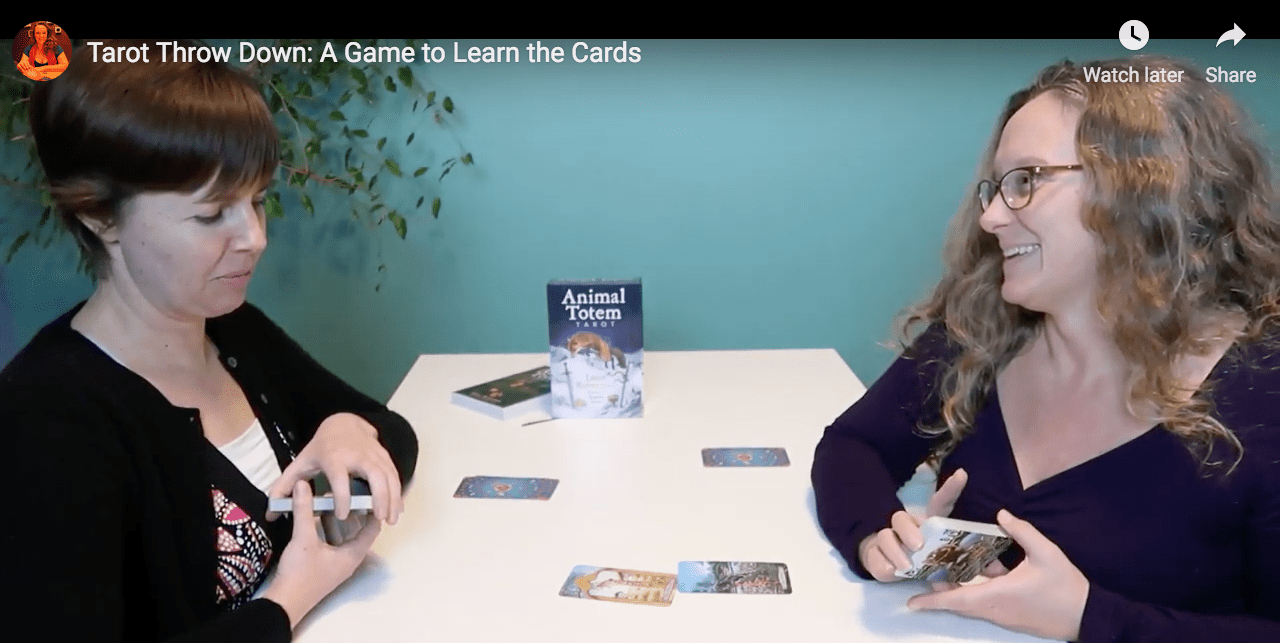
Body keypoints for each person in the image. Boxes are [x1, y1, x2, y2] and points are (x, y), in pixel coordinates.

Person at [812, 55, 1280, 642]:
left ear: (1146, 188)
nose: (990, 218)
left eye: (1027, 181)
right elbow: (854, 446)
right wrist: (878, 533)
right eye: (996, 187)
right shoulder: (984, 328)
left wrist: (1089, 617)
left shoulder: (1265, 394)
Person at [1, 40, 419, 641]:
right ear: (101, 217)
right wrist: (289, 598)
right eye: (211, 214)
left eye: (257, 201)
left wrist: (345, 429)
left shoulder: (228, 329)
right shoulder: (46, 418)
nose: (254, 238)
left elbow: (391, 431)